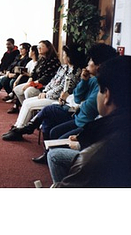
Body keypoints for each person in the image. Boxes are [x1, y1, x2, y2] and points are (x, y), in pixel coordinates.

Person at [2, 43, 118, 164]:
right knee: (47, 120)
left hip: (79, 117)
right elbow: (77, 96)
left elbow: (86, 106)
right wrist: (83, 82)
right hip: (76, 115)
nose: (88, 63)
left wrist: (67, 98)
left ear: (99, 65)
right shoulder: (89, 78)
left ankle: (27, 130)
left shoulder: (99, 83)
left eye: (91, 60)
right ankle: (27, 131)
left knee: (47, 110)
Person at [48, 55, 131, 187]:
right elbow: (78, 97)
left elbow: (86, 107)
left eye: (99, 91)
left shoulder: (93, 156)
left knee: (54, 155)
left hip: (83, 126)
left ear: (107, 96)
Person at [2, 43, 84, 138]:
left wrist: (47, 94)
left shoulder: (75, 71)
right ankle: (17, 127)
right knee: (26, 102)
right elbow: (53, 81)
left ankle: (18, 131)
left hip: (58, 99)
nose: (63, 56)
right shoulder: (64, 67)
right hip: (49, 94)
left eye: (64, 54)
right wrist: (45, 91)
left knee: (29, 104)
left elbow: (64, 89)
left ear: (70, 57)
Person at [7, 40, 61, 113]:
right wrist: (29, 82)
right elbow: (34, 73)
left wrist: (30, 84)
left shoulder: (53, 60)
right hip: (35, 83)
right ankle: (27, 110)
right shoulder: (40, 58)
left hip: (44, 85)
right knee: (17, 89)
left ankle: (33, 112)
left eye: (41, 47)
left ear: (48, 48)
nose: (39, 48)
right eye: (38, 47)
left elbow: (46, 77)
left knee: (28, 91)